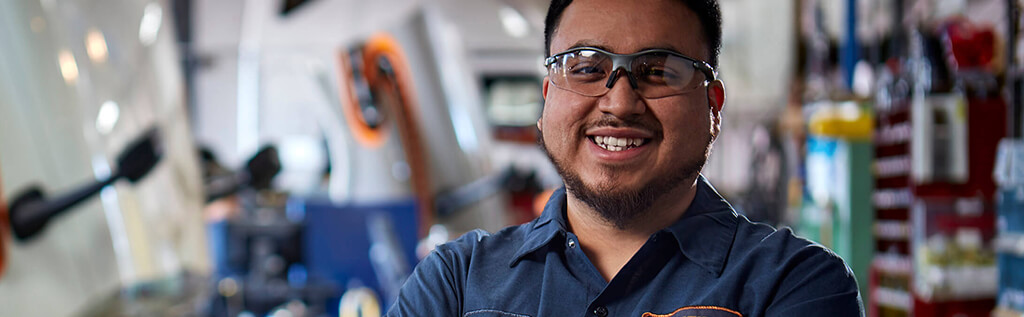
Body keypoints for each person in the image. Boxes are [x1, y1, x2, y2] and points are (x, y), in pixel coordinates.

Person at [387, 0, 863, 315]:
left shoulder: (795, 286)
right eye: (588, 67)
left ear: (712, 107)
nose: (619, 102)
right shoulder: (454, 284)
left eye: (657, 71)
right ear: (547, 97)